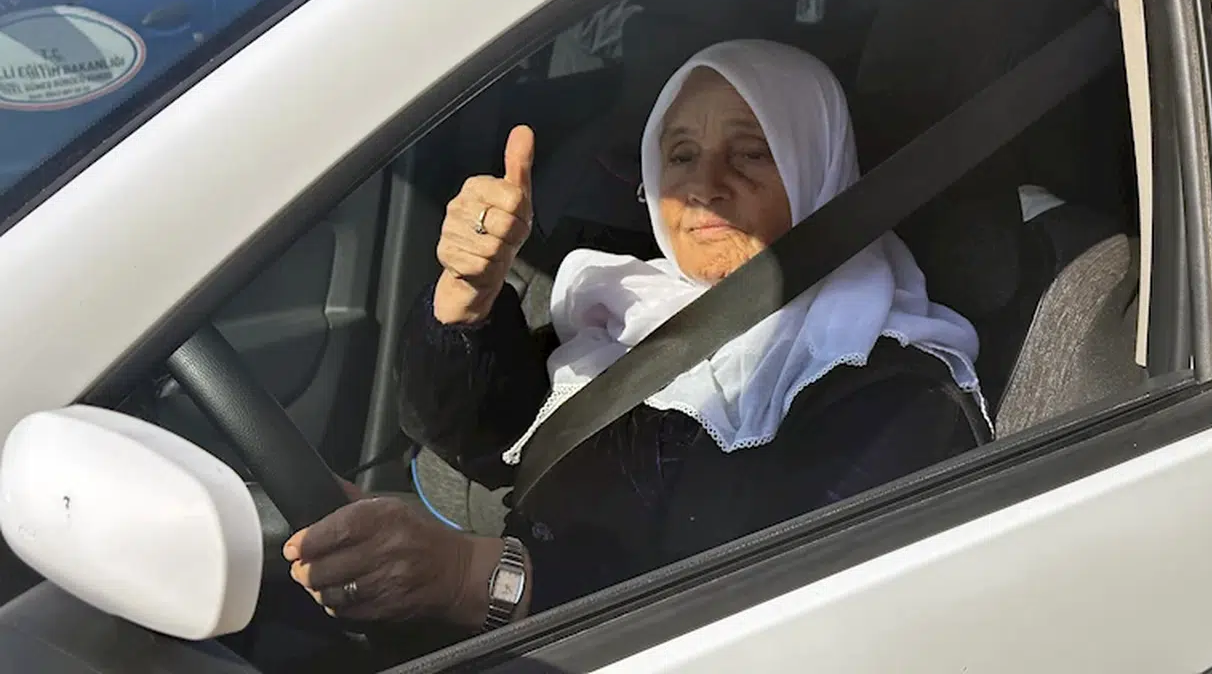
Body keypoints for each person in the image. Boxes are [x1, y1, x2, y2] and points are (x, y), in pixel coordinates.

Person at [283, 39, 986, 630]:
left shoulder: (891, 386)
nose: (703, 186)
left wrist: (472, 578)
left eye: (750, 154)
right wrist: (466, 299)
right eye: (680, 156)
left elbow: (764, 615)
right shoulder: (635, 304)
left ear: (818, 165)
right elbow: (480, 439)